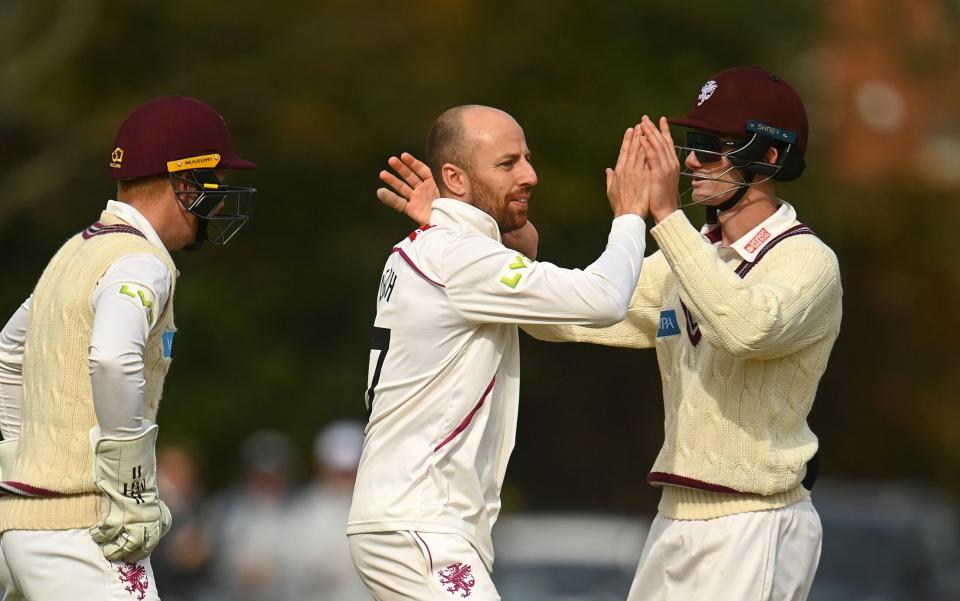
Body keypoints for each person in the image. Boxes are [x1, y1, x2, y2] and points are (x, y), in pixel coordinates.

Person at [379, 68, 842, 601]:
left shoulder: (807, 261)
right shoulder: (689, 257)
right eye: (692, 145)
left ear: (771, 159)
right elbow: (565, 320)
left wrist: (663, 214)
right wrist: (478, 237)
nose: (690, 162)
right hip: (675, 519)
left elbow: (743, 328)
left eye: (711, 148)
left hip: (756, 520)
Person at [349, 104, 651, 601]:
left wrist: (506, 243)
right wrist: (630, 216)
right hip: (420, 521)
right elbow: (604, 299)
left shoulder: (443, 247)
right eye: (508, 164)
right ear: (455, 178)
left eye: (527, 159)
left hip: (416, 520)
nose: (530, 175)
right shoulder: (459, 255)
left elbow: (547, 309)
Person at [0, 95, 257, 601]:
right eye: (215, 185)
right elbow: (113, 358)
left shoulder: (73, 253)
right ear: (183, 182)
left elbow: (8, 354)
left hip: (21, 528)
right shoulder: (143, 262)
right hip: (85, 528)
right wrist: (131, 486)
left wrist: (19, 458)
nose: (222, 201)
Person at [280, 420, 368, 601]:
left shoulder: (383, 506)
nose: (346, 477)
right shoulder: (300, 511)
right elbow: (287, 569)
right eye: (338, 470)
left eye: (351, 469)